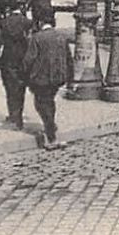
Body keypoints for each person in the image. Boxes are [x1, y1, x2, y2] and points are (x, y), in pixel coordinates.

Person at [21, 17, 73, 149]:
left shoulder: (37, 38)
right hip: (57, 77)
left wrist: (24, 73)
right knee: (49, 101)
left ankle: (51, 135)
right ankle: (51, 127)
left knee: (40, 103)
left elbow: (29, 59)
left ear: (40, 22)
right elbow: (69, 58)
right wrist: (69, 78)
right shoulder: (61, 36)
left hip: (41, 78)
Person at [0, 3, 32, 130]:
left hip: (7, 57)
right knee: (20, 87)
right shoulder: (27, 22)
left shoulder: (4, 22)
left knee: (9, 87)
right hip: (22, 57)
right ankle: (19, 115)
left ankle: (13, 114)